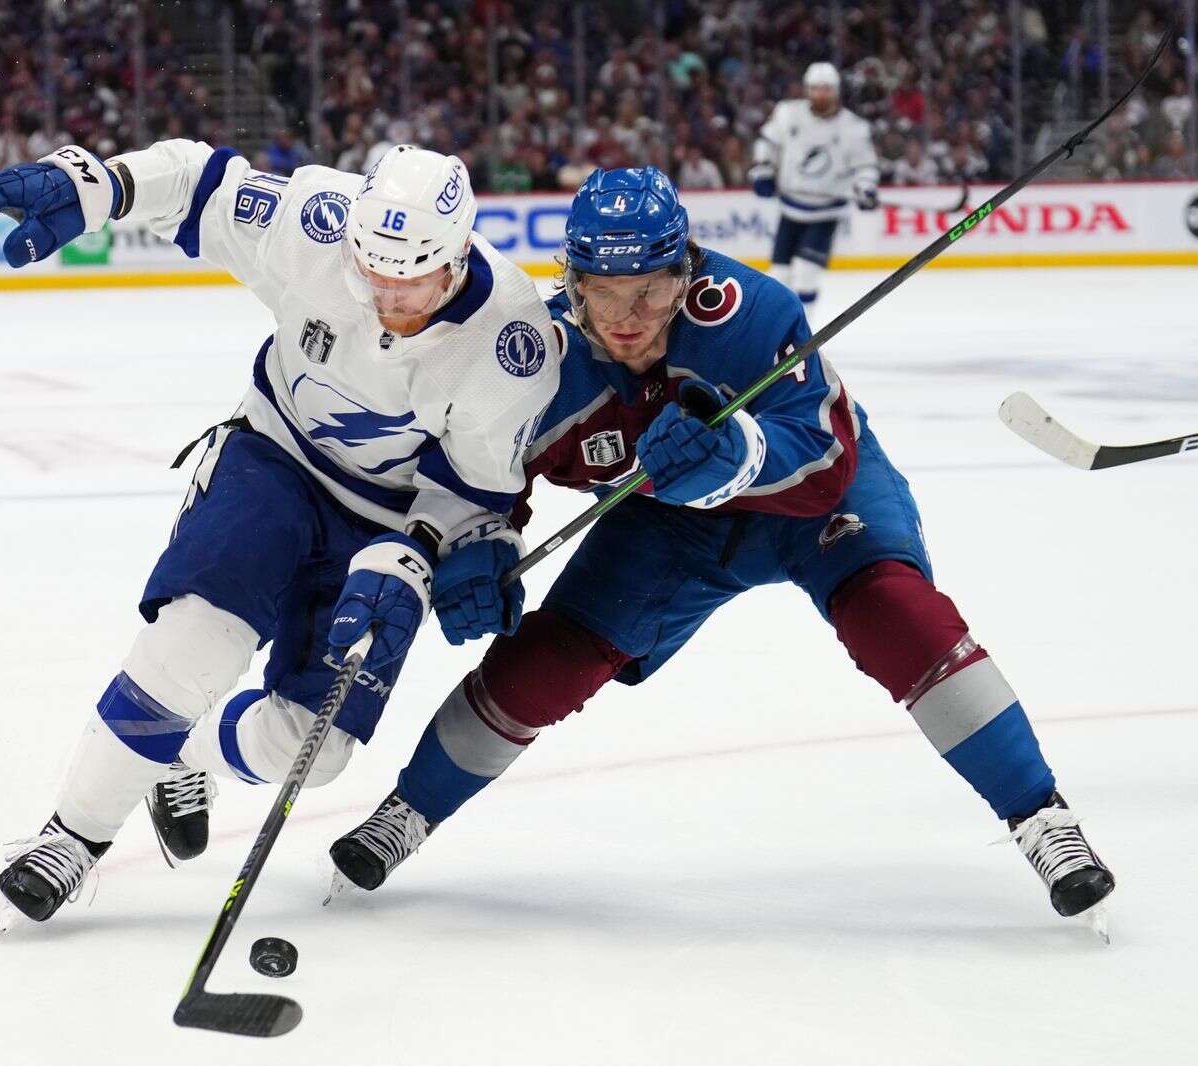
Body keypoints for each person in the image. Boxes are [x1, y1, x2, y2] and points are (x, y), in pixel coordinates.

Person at [326, 167, 1117, 928]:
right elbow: (480, 473)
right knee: (546, 660)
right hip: (670, 522)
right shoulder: (541, 363)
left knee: (898, 616)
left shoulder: (750, 313)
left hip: (815, 501)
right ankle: (408, 812)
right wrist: (478, 541)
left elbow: (823, 465)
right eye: (604, 292)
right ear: (571, 283)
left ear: (686, 272)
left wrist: (736, 454)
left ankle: (1041, 817)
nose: (629, 316)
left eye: (653, 291)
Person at [0, 139, 559, 925]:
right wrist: (91, 184)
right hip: (275, 457)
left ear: (460, 253)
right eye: (375, 276)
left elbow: (471, 492)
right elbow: (196, 182)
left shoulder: (510, 347)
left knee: (313, 750)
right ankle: (73, 839)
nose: (389, 301)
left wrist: (417, 560)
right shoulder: (318, 223)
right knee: (193, 644)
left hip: (387, 521)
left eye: (414, 285)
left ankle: (183, 753)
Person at [751, 62, 879, 313]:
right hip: (791, 208)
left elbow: (865, 166)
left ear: (836, 91)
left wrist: (866, 188)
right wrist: (763, 170)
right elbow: (768, 143)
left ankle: (804, 338)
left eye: (826, 89)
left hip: (826, 213)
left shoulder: (853, 127)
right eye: (816, 89)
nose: (821, 95)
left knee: (807, 274)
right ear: (807, 90)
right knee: (779, 276)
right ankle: (777, 334)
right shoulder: (788, 114)